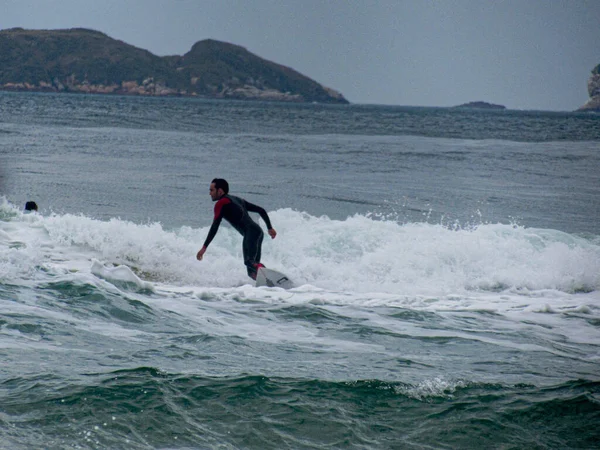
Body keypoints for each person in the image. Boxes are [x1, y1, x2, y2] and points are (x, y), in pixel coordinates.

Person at [196, 178, 277, 280]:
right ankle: (268, 285)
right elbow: (261, 210)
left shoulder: (221, 203)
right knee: (252, 271)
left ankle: (267, 277)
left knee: (249, 262)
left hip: (250, 232)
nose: (209, 193)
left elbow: (215, 226)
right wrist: (270, 228)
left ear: (220, 191)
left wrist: (204, 247)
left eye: (211, 190)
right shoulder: (238, 200)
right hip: (258, 232)